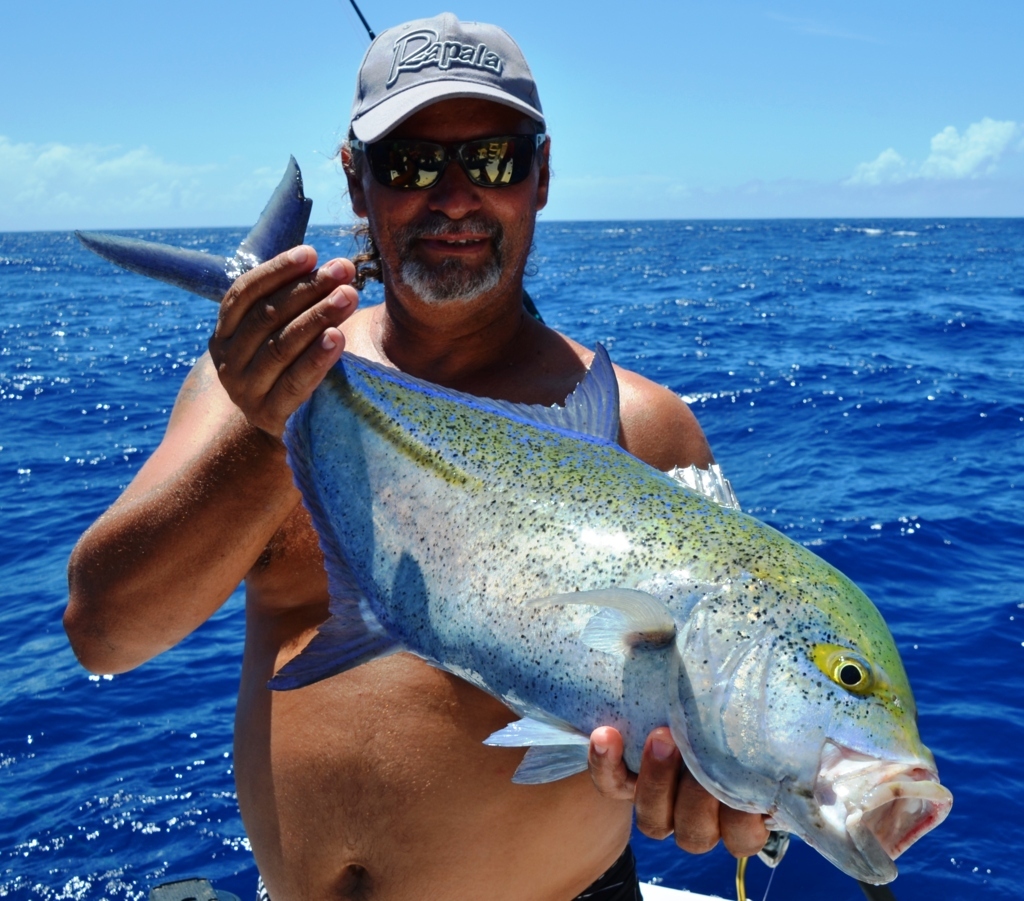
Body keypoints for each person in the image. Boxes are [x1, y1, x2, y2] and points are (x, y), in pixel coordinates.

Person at [64, 13, 767, 901]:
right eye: (411, 164)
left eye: (496, 160)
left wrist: (738, 794)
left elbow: (735, 690)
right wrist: (272, 417)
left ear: (542, 177)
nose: (457, 195)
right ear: (358, 185)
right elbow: (103, 633)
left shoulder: (642, 428)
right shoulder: (248, 385)